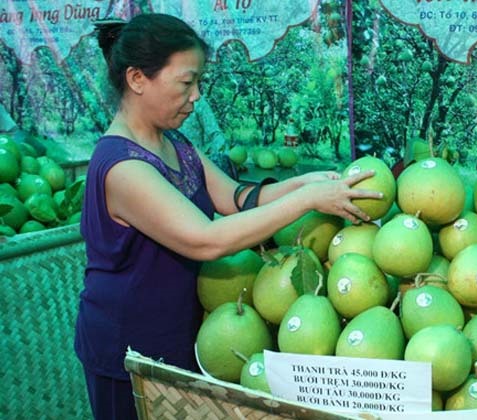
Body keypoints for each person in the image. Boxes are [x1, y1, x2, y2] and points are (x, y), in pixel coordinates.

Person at [75, 13, 381, 420]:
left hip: (182, 335)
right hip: (128, 349)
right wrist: (307, 199)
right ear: (137, 79)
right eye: (187, 83)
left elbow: (238, 198)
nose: (197, 96)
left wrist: (302, 182)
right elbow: (206, 238)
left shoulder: (177, 145)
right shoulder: (121, 166)